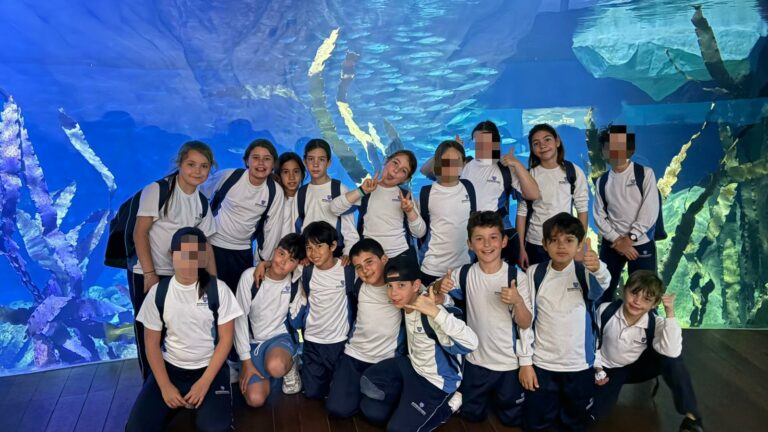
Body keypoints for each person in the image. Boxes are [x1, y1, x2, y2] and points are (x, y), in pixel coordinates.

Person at [125, 227, 242, 432]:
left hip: (209, 369)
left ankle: (205, 401)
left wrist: (204, 382)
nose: (189, 262)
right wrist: (165, 386)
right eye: (184, 254)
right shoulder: (159, 292)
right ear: (172, 254)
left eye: (195, 254)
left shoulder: (219, 290)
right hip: (171, 369)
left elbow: (226, 340)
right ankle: (178, 399)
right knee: (136, 429)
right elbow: (151, 345)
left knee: (215, 428)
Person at [435, 211, 533, 427]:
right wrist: (441, 287)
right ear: (470, 244)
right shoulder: (463, 273)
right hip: (475, 362)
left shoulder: (517, 278)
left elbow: (526, 323)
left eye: (493, 237)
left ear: (504, 241)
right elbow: (439, 296)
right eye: (479, 239)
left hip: (509, 364)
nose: (487, 244)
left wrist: (517, 301)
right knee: (471, 416)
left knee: (512, 419)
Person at [130, 141, 217, 380]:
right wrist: (150, 274)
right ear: (179, 163)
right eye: (191, 164)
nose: (197, 171)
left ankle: (175, 381)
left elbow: (206, 245)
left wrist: (213, 283)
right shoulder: (158, 191)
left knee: (175, 330)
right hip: (148, 272)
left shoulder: (202, 202)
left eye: (204, 166)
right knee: (149, 332)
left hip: (182, 277)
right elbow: (140, 232)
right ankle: (151, 384)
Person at [359, 258, 478, 431]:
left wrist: (436, 312)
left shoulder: (431, 310)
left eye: (401, 285)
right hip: (413, 365)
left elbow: (472, 342)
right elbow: (433, 289)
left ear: (415, 286)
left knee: (396, 430)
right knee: (369, 390)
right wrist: (439, 290)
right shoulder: (410, 299)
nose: (393, 293)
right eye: (390, 286)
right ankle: (409, 406)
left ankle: (447, 408)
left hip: (435, 382)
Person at [518, 213, 611, 432]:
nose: (561, 246)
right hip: (542, 364)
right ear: (544, 244)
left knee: (575, 422)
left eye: (569, 240)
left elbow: (602, 283)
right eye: (554, 240)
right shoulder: (534, 273)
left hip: (578, 364)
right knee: (537, 423)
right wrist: (525, 362)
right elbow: (526, 321)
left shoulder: (586, 271)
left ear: (579, 244)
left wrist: (597, 268)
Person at [593, 270, 703, 432]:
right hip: (607, 368)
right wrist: (597, 369)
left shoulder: (655, 322)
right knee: (596, 413)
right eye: (634, 293)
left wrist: (670, 313)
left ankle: (692, 419)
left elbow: (672, 352)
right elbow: (591, 343)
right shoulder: (605, 311)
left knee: (673, 361)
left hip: (637, 368)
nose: (637, 301)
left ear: (655, 304)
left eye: (647, 299)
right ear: (624, 290)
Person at [421, 121, 540, 265]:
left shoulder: (505, 168)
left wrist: (517, 164)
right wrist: (451, 149)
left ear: (495, 142)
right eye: (477, 141)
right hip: (468, 236)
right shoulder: (463, 166)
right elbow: (425, 170)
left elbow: (533, 194)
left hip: (498, 235)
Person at [325, 238, 404, 418]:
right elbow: (326, 268)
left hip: (385, 360)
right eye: (359, 267)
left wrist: (442, 294)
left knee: (376, 415)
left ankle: (364, 394)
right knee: (337, 409)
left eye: (369, 262)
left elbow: (427, 292)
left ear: (384, 259)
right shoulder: (358, 284)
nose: (365, 270)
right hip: (355, 355)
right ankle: (354, 388)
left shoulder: (399, 287)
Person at [201, 138, 285, 294]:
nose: (261, 163)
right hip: (212, 246)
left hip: (242, 252)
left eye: (267, 159)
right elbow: (199, 194)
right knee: (206, 297)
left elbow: (272, 231)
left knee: (235, 300)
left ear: (274, 164)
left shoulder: (275, 192)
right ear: (246, 161)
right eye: (256, 158)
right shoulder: (228, 176)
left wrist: (263, 263)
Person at [234, 233, 306, 406]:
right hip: (254, 342)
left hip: (280, 338)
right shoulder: (250, 277)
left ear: (297, 264)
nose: (283, 262)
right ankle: (270, 372)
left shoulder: (295, 282)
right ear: (274, 251)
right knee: (255, 400)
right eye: (281, 254)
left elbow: (317, 264)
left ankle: (289, 364)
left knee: (276, 366)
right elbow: (240, 320)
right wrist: (246, 361)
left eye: (291, 260)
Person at [593, 125, 662, 303]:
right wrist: (617, 240)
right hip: (612, 245)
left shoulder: (644, 174)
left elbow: (650, 209)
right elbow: (599, 216)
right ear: (603, 152)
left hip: (640, 242)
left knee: (645, 293)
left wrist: (631, 238)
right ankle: (603, 321)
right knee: (604, 291)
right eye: (609, 147)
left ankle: (644, 323)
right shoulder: (602, 181)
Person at [292, 221, 358, 400]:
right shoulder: (305, 270)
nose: (313, 253)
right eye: (309, 248)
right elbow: (281, 267)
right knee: (313, 393)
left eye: (319, 246)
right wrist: (264, 265)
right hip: (312, 342)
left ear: (333, 246)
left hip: (340, 342)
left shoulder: (347, 269)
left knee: (338, 396)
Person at [330, 149, 425, 268]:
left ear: (405, 179)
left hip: (400, 256)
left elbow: (419, 233)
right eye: (395, 163)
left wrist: (410, 211)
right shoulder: (366, 191)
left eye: (403, 171)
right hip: (369, 257)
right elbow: (334, 208)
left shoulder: (406, 197)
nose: (396, 170)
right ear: (386, 161)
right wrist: (361, 191)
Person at [517, 124, 589, 270]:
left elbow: (582, 210)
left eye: (547, 140)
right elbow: (522, 213)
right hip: (535, 243)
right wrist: (521, 248)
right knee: (535, 282)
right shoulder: (529, 175)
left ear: (557, 141)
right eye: (536, 143)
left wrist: (579, 245)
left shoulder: (573, 172)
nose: (542, 145)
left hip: (564, 242)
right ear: (532, 149)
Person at [417, 140, 477, 286]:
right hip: (432, 268)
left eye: (456, 161)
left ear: (463, 164)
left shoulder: (468, 187)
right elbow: (419, 231)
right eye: (446, 161)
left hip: (464, 267)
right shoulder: (426, 193)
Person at [293, 139, 359, 265]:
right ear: (304, 161)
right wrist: (301, 255)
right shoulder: (301, 193)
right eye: (311, 159)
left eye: (321, 159)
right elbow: (297, 228)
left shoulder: (339, 189)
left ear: (329, 163)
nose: (315, 164)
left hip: (335, 255)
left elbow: (349, 230)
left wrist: (347, 253)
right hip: (309, 257)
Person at [276, 152, 306, 238]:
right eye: (286, 172)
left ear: (302, 174)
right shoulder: (273, 200)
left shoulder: (307, 199)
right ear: (279, 175)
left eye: (296, 171)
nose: (291, 177)